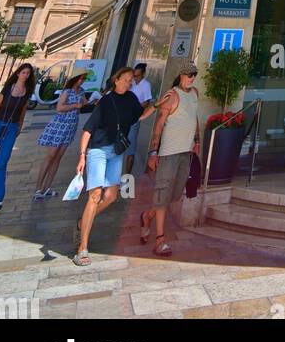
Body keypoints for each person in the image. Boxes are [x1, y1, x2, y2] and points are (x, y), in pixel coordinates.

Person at [74, 67, 155, 266]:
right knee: (95, 195)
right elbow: (87, 130)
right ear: (116, 80)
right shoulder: (106, 101)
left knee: (111, 196)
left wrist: (158, 105)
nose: (129, 83)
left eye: (130, 80)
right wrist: (82, 156)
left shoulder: (131, 99)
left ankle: (83, 221)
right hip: (98, 150)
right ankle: (82, 248)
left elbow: (140, 116)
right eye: (126, 79)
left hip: (116, 152)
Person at [140, 63, 200, 258]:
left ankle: (147, 216)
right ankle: (160, 240)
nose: (192, 78)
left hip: (186, 152)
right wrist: (153, 152)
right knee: (162, 194)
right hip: (169, 153)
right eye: (189, 75)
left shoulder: (195, 94)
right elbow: (159, 125)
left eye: (194, 75)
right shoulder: (172, 96)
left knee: (173, 195)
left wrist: (197, 140)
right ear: (181, 75)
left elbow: (194, 118)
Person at [34, 72, 87, 198]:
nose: (82, 81)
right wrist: (75, 105)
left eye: (84, 79)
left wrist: (85, 103)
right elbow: (59, 108)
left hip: (71, 126)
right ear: (75, 78)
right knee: (51, 156)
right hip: (59, 125)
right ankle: (38, 189)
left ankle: (47, 188)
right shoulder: (67, 92)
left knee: (58, 157)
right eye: (81, 78)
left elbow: (82, 106)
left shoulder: (82, 91)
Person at [0, 64, 37, 212]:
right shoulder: (8, 88)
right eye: (23, 72)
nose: (25, 75)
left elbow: (23, 111)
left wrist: (19, 126)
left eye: (28, 73)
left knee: (2, 162)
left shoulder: (27, 92)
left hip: (11, 128)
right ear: (18, 73)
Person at [124, 63, 153, 175]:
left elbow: (147, 101)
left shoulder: (146, 85)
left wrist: (136, 108)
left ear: (143, 74)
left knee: (130, 148)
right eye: (134, 75)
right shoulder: (131, 83)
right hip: (123, 116)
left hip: (134, 118)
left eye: (138, 76)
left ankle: (127, 175)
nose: (135, 78)